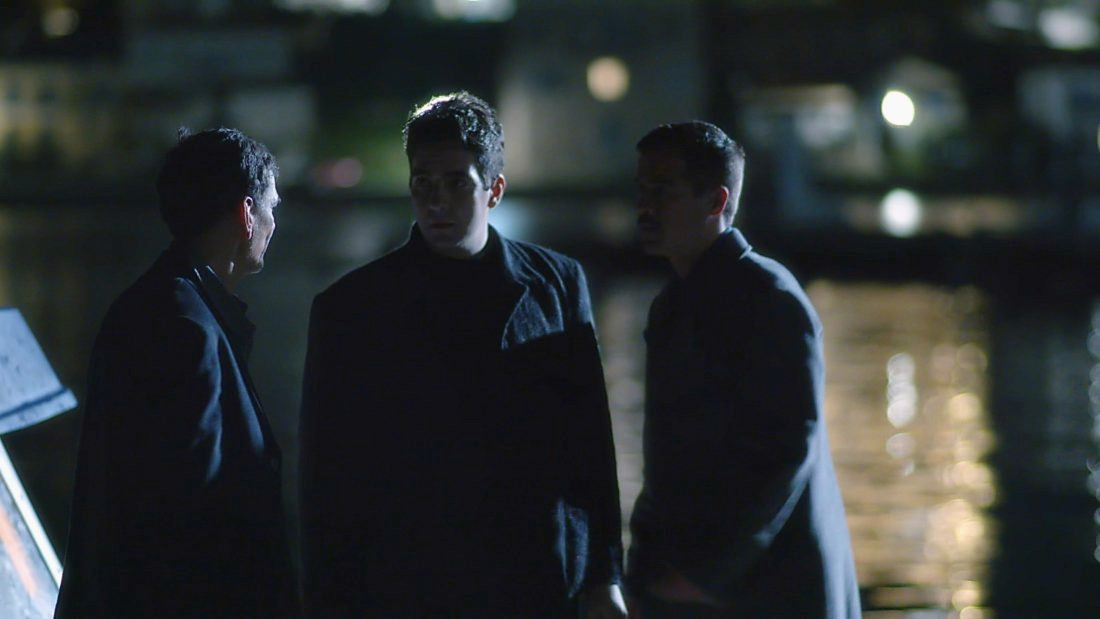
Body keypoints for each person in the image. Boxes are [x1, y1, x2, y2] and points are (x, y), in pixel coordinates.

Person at [299, 91, 626, 618]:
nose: (436, 202)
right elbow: (329, 475)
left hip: (537, 574)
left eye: (456, 183)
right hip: (413, 584)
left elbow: (588, 440)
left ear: (494, 190)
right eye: (423, 184)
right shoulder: (353, 307)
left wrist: (604, 577)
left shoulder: (557, 283)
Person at [55, 128, 297, 618]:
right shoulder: (185, 328)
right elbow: (184, 520)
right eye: (271, 207)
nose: (275, 223)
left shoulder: (162, 304)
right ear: (246, 214)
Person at [624, 122, 860, 618]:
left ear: (716, 201)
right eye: (642, 190)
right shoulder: (674, 305)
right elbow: (665, 456)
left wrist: (704, 573)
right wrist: (647, 562)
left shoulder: (768, 298)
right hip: (705, 583)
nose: (644, 206)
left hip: (762, 589)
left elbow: (785, 447)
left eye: (662, 191)